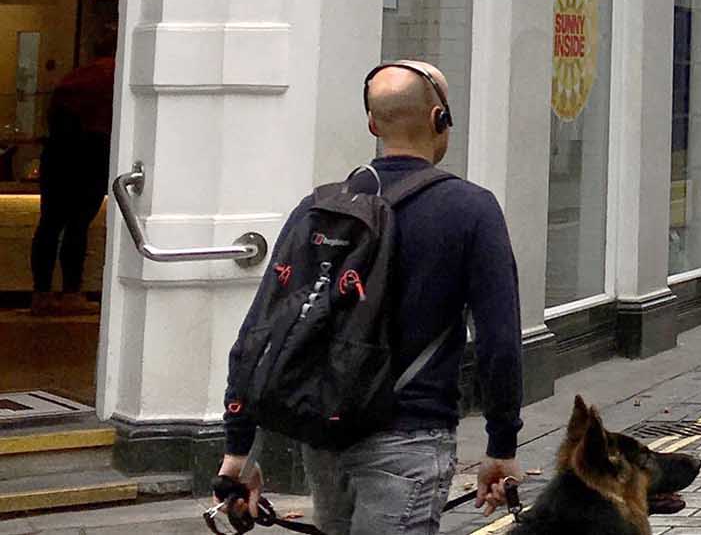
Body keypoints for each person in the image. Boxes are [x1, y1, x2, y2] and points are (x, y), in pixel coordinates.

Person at [214, 61, 524, 533]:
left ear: (372, 125)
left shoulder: (320, 209)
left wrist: (239, 452)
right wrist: (501, 446)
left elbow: (260, 332)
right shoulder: (471, 210)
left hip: (326, 437)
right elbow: (499, 342)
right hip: (411, 439)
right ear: (441, 118)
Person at [30, 31, 117, 316]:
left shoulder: (74, 77)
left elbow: (52, 116)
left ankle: (41, 293)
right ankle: (71, 293)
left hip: (57, 154)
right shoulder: (115, 75)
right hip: (91, 155)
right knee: (78, 225)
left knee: (49, 224)